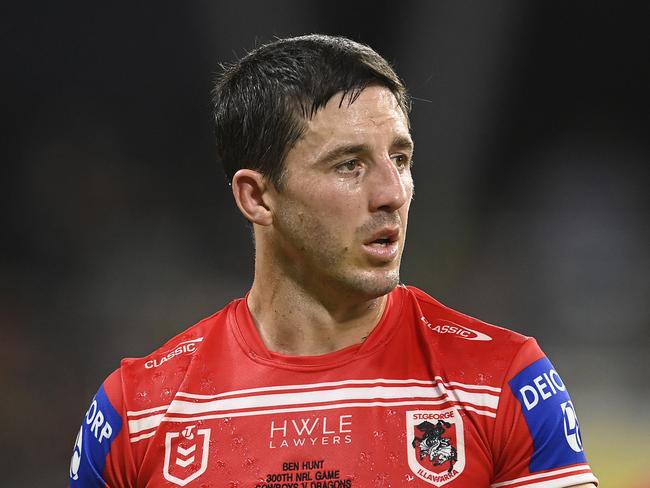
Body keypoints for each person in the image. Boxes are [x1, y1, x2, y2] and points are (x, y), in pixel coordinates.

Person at [69, 34, 598, 487]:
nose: (393, 192)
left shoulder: (501, 382)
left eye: (400, 159)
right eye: (349, 165)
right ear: (257, 197)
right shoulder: (138, 412)